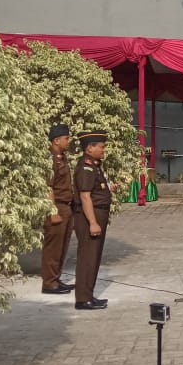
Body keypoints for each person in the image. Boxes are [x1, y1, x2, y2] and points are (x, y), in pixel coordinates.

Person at [72, 130, 112, 310]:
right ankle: (83, 299)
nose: (104, 150)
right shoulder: (86, 167)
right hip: (90, 217)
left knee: (93, 257)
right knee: (88, 258)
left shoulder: (94, 165)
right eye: (101, 147)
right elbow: (85, 197)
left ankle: (88, 294)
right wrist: (93, 223)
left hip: (97, 214)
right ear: (89, 148)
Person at [41, 124, 75, 295]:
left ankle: (56, 279)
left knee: (62, 246)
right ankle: (49, 283)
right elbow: (48, 187)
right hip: (57, 206)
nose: (68, 141)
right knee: (53, 248)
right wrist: (52, 211)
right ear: (56, 140)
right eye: (66, 138)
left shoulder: (62, 157)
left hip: (66, 206)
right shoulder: (50, 159)